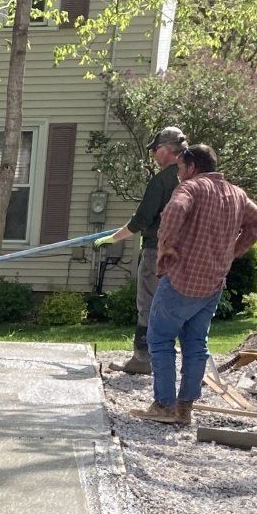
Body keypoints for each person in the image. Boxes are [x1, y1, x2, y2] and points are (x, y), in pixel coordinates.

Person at [145, 144, 257, 422]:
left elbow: (174, 210)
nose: (178, 175)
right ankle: (185, 408)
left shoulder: (190, 188)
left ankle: (164, 406)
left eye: (180, 169)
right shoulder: (236, 194)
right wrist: (233, 251)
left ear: (192, 167)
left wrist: (166, 246)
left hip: (181, 278)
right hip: (213, 282)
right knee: (196, 343)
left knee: (160, 339)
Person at [100, 127, 186, 375]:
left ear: (168, 150)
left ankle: (142, 358)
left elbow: (142, 220)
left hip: (156, 252)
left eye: (156, 150)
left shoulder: (162, 181)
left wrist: (112, 238)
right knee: (172, 305)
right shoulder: (191, 179)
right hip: (183, 256)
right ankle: (166, 356)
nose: (153, 156)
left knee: (147, 303)